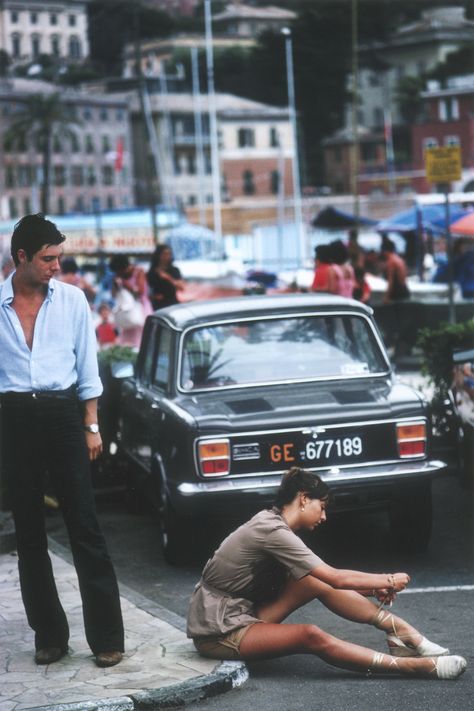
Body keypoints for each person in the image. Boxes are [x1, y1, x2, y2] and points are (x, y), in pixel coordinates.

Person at [187, 467, 466, 680]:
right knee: (311, 635)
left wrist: (370, 589)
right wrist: (388, 580)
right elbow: (335, 577)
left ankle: (400, 633)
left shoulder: (276, 526)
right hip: (220, 630)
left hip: (242, 613)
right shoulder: (271, 531)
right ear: (304, 499)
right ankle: (411, 666)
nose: (324, 517)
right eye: (322, 507)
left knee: (311, 581)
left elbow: (319, 580)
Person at [0, 214, 124, 668]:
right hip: (13, 418)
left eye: (59, 257)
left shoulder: (72, 300)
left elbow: (87, 365)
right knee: (29, 532)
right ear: (21, 258)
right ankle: (49, 636)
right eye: (48, 259)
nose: (57, 266)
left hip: (63, 414)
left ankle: (108, 638)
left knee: (84, 526)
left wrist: (92, 425)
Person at [109, 254, 152, 348]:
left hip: (141, 310)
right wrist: (116, 285)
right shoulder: (118, 276)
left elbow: (140, 292)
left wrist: (124, 284)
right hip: (127, 315)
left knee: (141, 340)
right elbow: (113, 295)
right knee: (127, 342)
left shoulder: (139, 272)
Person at [147, 244, 184, 310]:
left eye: (169, 254)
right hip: (158, 305)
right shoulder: (152, 272)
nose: (167, 256)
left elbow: (181, 287)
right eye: (164, 254)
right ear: (158, 255)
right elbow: (147, 290)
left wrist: (168, 277)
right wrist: (153, 297)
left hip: (172, 303)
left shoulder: (174, 270)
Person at [381, 238, 410, 303]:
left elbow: (391, 281)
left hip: (398, 292)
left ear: (385, 250)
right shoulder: (399, 259)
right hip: (404, 289)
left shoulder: (391, 262)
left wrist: (386, 297)